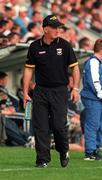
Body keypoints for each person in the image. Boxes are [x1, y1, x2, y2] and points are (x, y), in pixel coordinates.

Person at [23, 14, 80, 168]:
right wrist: (25, 92)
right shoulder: (34, 46)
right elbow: (28, 70)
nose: (57, 30)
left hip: (60, 90)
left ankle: (63, 150)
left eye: (59, 27)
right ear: (45, 29)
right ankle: (42, 159)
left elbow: (75, 67)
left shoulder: (65, 45)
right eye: (55, 27)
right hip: (40, 91)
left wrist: (74, 88)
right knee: (41, 126)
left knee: (58, 126)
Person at [80, 38, 102, 160]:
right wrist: (100, 94)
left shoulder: (97, 62)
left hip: (96, 97)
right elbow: (94, 82)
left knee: (98, 124)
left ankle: (96, 148)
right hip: (93, 97)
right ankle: (90, 152)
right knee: (93, 124)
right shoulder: (93, 62)